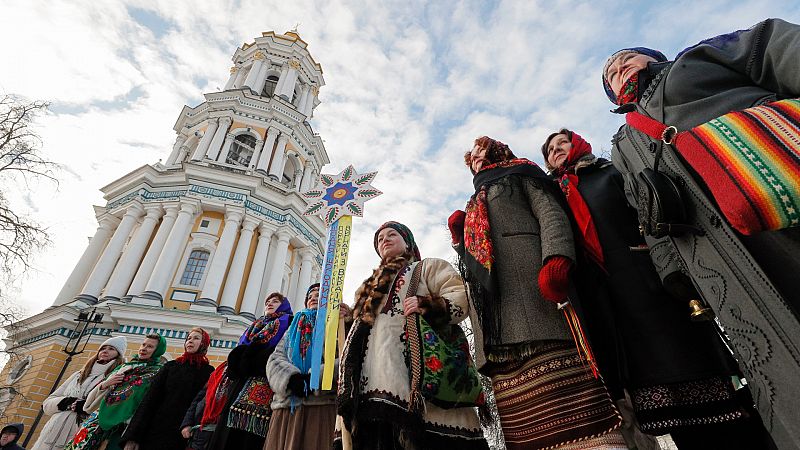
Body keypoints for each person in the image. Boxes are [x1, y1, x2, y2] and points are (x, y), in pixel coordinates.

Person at [602, 19, 800, 448]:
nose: (618, 68)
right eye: (610, 74)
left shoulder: (698, 59)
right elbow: (643, 207)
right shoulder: (623, 145)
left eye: (624, 59)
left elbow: (774, 46)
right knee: (773, 354)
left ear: (654, 57)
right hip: (713, 251)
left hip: (780, 183)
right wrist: (673, 270)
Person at [542, 129, 775, 449]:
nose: (556, 151)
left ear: (577, 144)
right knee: (665, 407)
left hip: (651, 287)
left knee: (703, 383)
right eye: (550, 150)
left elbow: (646, 211)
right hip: (614, 308)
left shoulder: (609, 173)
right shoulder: (555, 198)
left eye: (561, 144)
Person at [448, 136, 625, 449]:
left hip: (534, 292)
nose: (474, 158)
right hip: (497, 317)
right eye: (470, 157)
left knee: (576, 406)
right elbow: (480, 261)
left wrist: (556, 259)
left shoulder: (523, 174)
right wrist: (460, 243)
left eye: (479, 151)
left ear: (496, 151)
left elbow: (551, 214)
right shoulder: (475, 199)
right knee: (527, 426)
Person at [337, 221, 488, 449]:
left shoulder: (427, 268)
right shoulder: (366, 289)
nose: (384, 239)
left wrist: (427, 305)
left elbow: (461, 296)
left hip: (418, 387)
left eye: (392, 235)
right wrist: (346, 320)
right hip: (370, 388)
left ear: (407, 242)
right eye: (379, 239)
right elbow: (358, 336)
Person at [264, 283, 352, 450]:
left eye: (319, 295)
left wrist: (315, 378)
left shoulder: (340, 325)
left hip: (322, 406)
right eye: (310, 296)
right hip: (287, 406)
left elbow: (347, 357)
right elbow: (276, 358)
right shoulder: (293, 328)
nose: (313, 298)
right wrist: (291, 379)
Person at [206, 293, 293, 450]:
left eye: (275, 301)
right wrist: (238, 362)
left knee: (249, 435)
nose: (270, 304)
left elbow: (282, 349)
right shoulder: (255, 325)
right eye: (268, 301)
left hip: (265, 379)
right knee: (226, 429)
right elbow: (242, 346)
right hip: (241, 380)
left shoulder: (287, 322)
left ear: (284, 305)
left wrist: (254, 360)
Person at [66, 334, 166, 450]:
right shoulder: (123, 367)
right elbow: (92, 400)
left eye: (150, 346)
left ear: (158, 350)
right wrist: (106, 384)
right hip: (99, 420)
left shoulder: (158, 372)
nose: (144, 348)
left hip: (125, 426)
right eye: (143, 344)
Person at [120, 328, 214, 450]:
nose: (190, 341)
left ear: (204, 344)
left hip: (183, 434)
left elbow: (202, 404)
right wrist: (133, 437)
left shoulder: (209, 372)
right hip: (154, 430)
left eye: (196, 338)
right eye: (188, 338)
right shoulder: (171, 367)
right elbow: (150, 400)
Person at [31, 337, 126, 450]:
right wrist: (66, 402)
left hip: (82, 431)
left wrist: (86, 407)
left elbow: (110, 407)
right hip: (52, 429)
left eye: (111, 349)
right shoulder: (78, 375)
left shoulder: (114, 377)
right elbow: (47, 404)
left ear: (118, 355)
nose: (105, 351)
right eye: (103, 348)